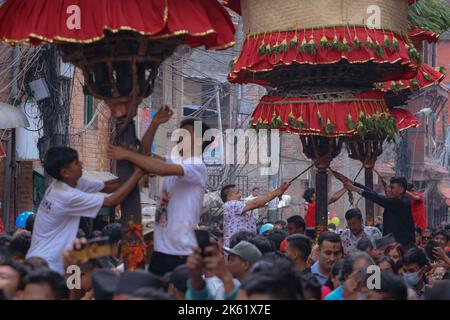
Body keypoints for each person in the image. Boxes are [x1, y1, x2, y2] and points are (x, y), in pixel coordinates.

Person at [108, 110, 215, 276]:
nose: (180, 136)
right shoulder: (176, 161)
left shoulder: (197, 164)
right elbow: (145, 155)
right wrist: (155, 124)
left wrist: (126, 154)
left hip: (181, 253)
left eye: (187, 133)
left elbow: (160, 169)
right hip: (162, 251)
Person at [26, 146, 143, 275]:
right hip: (47, 264)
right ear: (66, 173)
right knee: (67, 290)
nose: (81, 164)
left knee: (74, 289)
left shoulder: (71, 183)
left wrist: (135, 170)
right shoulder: (66, 195)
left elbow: (107, 187)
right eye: (76, 163)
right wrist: (139, 173)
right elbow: (112, 201)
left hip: (62, 262)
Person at [337, 173, 415, 248]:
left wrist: (355, 189)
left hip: (403, 247)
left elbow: (376, 198)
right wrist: (354, 183)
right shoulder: (392, 201)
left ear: (401, 189)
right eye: (388, 187)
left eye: (392, 187)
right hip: (391, 244)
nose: (388, 190)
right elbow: (374, 194)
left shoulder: (402, 203)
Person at [220, 183, 290, 247]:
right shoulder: (230, 205)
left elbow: (261, 201)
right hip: (236, 246)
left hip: (242, 245)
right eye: (237, 193)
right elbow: (256, 203)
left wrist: (278, 192)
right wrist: (277, 192)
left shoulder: (240, 203)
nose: (240, 195)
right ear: (229, 196)